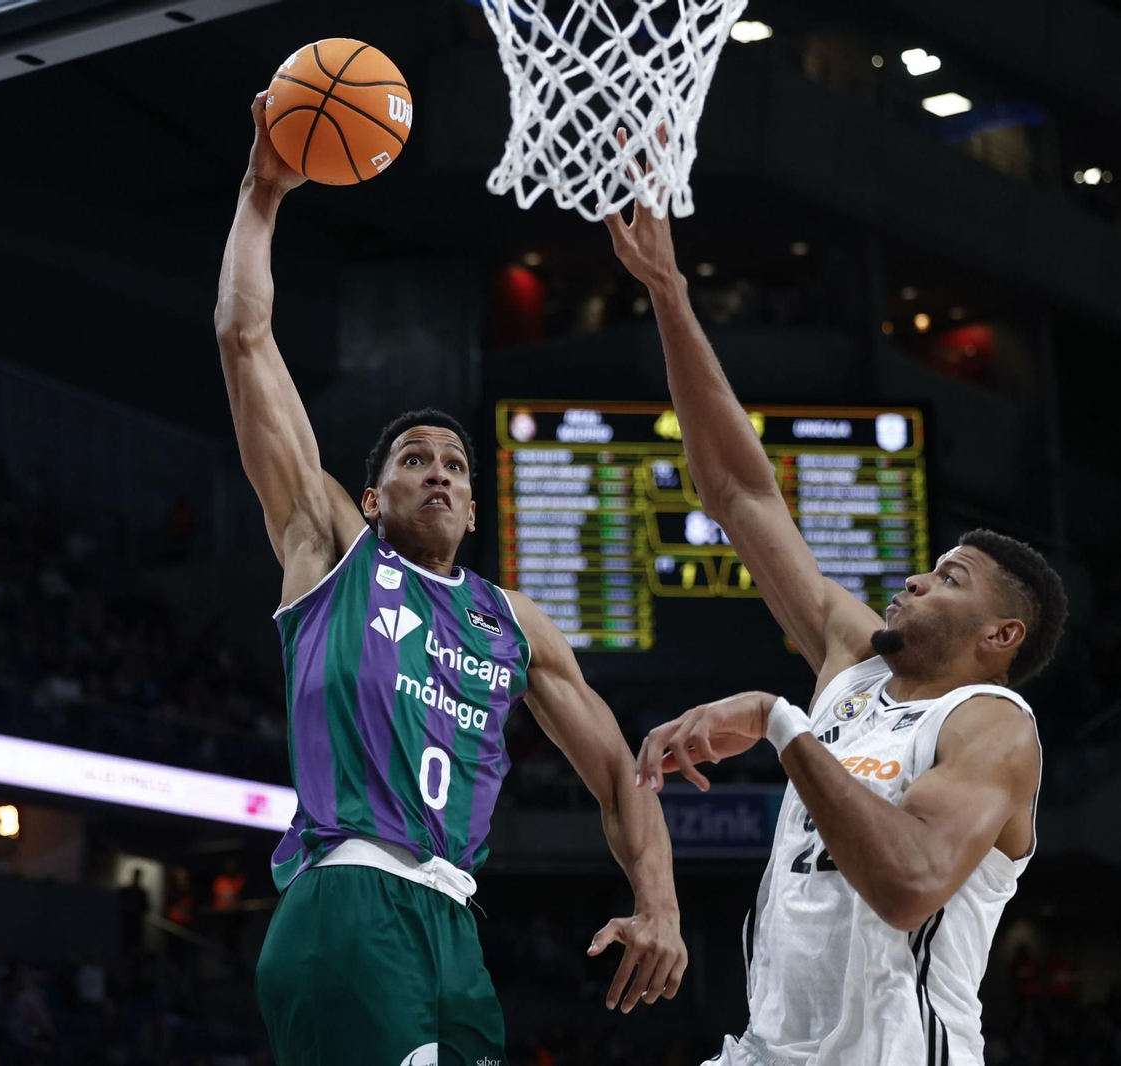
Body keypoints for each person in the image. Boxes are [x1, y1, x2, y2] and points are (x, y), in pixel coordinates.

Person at [214, 93, 686, 1066]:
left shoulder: (514, 623)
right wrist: (262, 194)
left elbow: (617, 771)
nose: (439, 471)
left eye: (457, 466)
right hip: (345, 898)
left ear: (473, 509)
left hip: (454, 925)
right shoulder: (332, 553)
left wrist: (660, 905)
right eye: (415, 459)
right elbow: (244, 340)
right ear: (371, 496)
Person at [606, 179, 1068, 1066]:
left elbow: (909, 883)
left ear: (999, 636)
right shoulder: (853, 664)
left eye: (948, 578)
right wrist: (669, 294)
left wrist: (782, 725)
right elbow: (740, 493)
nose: (914, 579)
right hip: (771, 1050)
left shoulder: (990, 726)